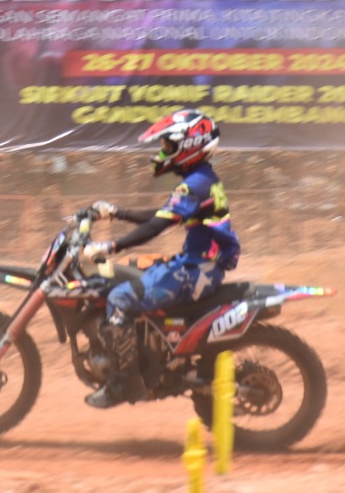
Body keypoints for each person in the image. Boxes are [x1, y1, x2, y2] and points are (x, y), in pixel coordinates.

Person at [79, 107, 240, 409]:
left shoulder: (196, 184)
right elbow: (163, 215)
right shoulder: (201, 178)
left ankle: (125, 383)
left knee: (119, 299)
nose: (163, 150)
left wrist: (111, 245)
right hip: (195, 264)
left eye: (168, 144)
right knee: (129, 270)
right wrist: (116, 213)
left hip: (197, 271)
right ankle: (150, 351)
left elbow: (157, 226)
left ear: (189, 145)